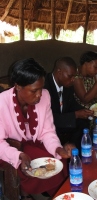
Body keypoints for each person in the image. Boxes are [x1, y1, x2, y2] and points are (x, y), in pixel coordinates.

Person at [0, 58, 73, 200]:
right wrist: (19, 156)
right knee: (33, 159)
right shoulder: (2, 103)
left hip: (34, 143)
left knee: (58, 160)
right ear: (18, 87)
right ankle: (32, 194)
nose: (40, 94)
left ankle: (58, 194)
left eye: (41, 88)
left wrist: (58, 149)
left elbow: (47, 131)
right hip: (10, 149)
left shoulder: (45, 96)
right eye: (34, 91)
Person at [44, 57, 93, 152]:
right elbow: (48, 118)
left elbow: (72, 103)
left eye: (74, 76)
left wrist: (85, 112)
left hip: (64, 121)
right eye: (70, 76)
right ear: (59, 72)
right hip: (50, 125)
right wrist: (76, 114)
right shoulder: (44, 87)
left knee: (84, 124)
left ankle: (78, 153)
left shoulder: (67, 85)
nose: (73, 80)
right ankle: (67, 156)